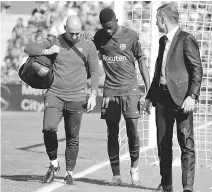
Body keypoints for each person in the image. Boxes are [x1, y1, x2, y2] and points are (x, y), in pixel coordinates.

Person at [24, 15, 100, 185]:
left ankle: (69, 173)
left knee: (73, 137)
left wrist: (94, 95)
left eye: (77, 33)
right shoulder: (54, 41)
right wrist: (47, 52)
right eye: (71, 33)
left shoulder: (88, 44)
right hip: (55, 94)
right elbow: (28, 48)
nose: (75, 36)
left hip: (77, 96)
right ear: (65, 28)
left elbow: (95, 72)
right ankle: (53, 164)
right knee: (48, 128)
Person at [142, 3, 203, 192]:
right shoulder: (162, 41)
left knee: (186, 143)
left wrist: (192, 95)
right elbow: (158, 71)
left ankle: (187, 187)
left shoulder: (186, 39)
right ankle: (167, 184)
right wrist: (150, 97)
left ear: (163, 20)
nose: (155, 24)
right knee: (163, 143)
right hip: (162, 99)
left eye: (156, 20)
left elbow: (197, 69)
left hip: (182, 100)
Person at [93, 8, 150, 186]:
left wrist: (149, 88)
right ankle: (116, 175)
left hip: (131, 90)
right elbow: (89, 57)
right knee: (112, 133)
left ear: (117, 21)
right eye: (105, 28)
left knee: (133, 130)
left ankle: (134, 169)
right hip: (110, 91)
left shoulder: (131, 36)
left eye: (110, 27)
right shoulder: (99, 37)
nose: (108, 31)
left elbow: (141, 60)